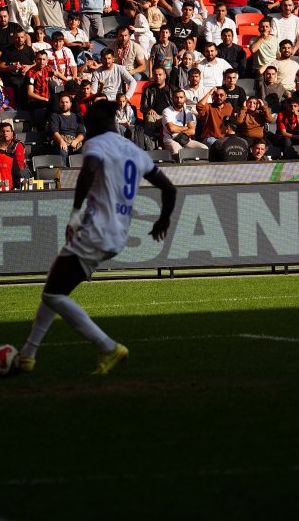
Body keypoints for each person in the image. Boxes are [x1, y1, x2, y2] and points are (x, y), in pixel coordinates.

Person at [10, 100, 177, 376]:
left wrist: (75, 215)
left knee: (52, 292)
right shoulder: (136, 152)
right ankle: (28, 354)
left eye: (88, 121)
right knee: (56, 287)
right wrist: (164, 219)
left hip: (95, 229)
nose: (86, 126)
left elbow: (88, 171)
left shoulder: (96, 144)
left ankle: (108, 346)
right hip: (117, 232)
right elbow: (169, 189)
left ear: (98, 122)